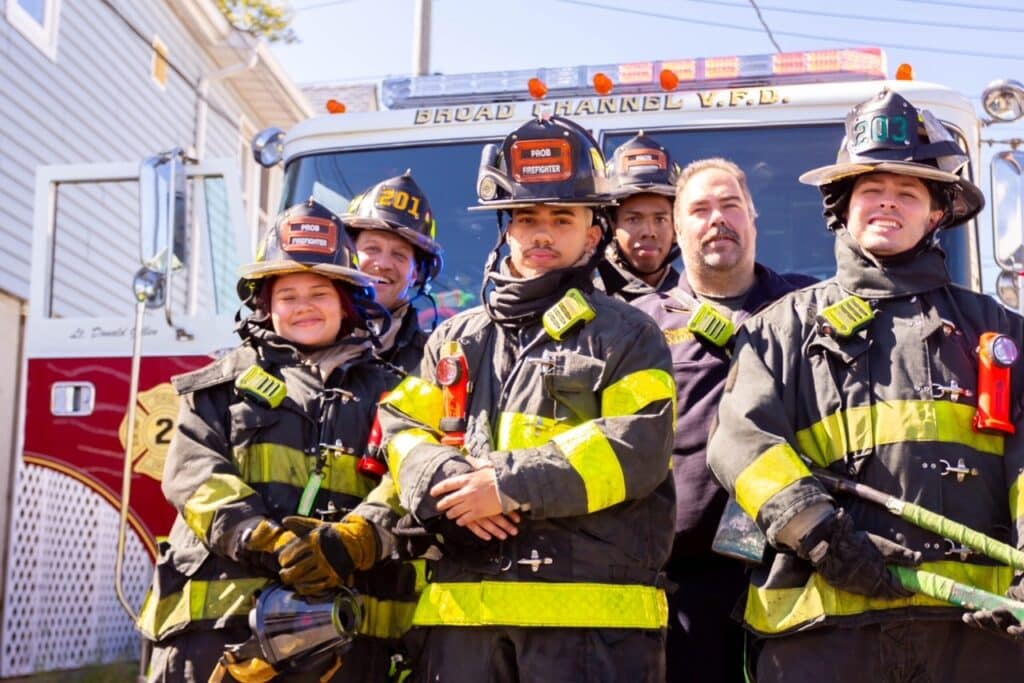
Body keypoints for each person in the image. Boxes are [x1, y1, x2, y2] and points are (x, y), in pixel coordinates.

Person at [707, 88, 1024, 682]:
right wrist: (819, 534)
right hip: (821, 633)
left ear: (937, 214)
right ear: (842, 207)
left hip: (973, 633)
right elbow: (740, 445)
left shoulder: (1000, 330)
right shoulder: (779, 329)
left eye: (908, 192)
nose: (887, 203)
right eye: (871, 189)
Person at [364, 114, 677, 682]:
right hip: (463, 629)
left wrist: (505, 487)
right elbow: (401, 428)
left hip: (591, 634)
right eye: (527, 218)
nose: (541, 234)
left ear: (593, 234)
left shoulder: (629, 334)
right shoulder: (455, 338)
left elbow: (638, 446)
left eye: (562, 218)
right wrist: (450, 486)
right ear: (505, 229)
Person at [139, 199, 408, 682]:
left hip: (346, 639)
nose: (304, 306)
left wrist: (355, 540)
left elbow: (408, 481)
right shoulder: (219, 386)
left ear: (347, 302)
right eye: (288, 295)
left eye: (320, 292)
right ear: (266, 305)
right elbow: (193, 474)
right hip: (220, 634)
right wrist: (262, 538)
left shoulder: (396, 394)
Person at [633, 157, 815, 682]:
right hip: (683, 581)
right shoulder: (639, 325)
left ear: (752, 217)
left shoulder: (807, 306)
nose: (717, 219)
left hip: (800, 565)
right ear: (676, 229)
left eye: (730, 205)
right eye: (700, 209)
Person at [343, 170, 444, 374]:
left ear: (416, 273)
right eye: (372, 248)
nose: (383, 264)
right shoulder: (307, 335)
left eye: (399, 255)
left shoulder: (433, 362)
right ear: (348, 256)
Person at [595, 132, 681, 301]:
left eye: (660, 219)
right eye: (633, 219)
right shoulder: (588, 302)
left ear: (676, 227)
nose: (649, 232)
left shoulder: (699, 303)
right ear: (611, 225)